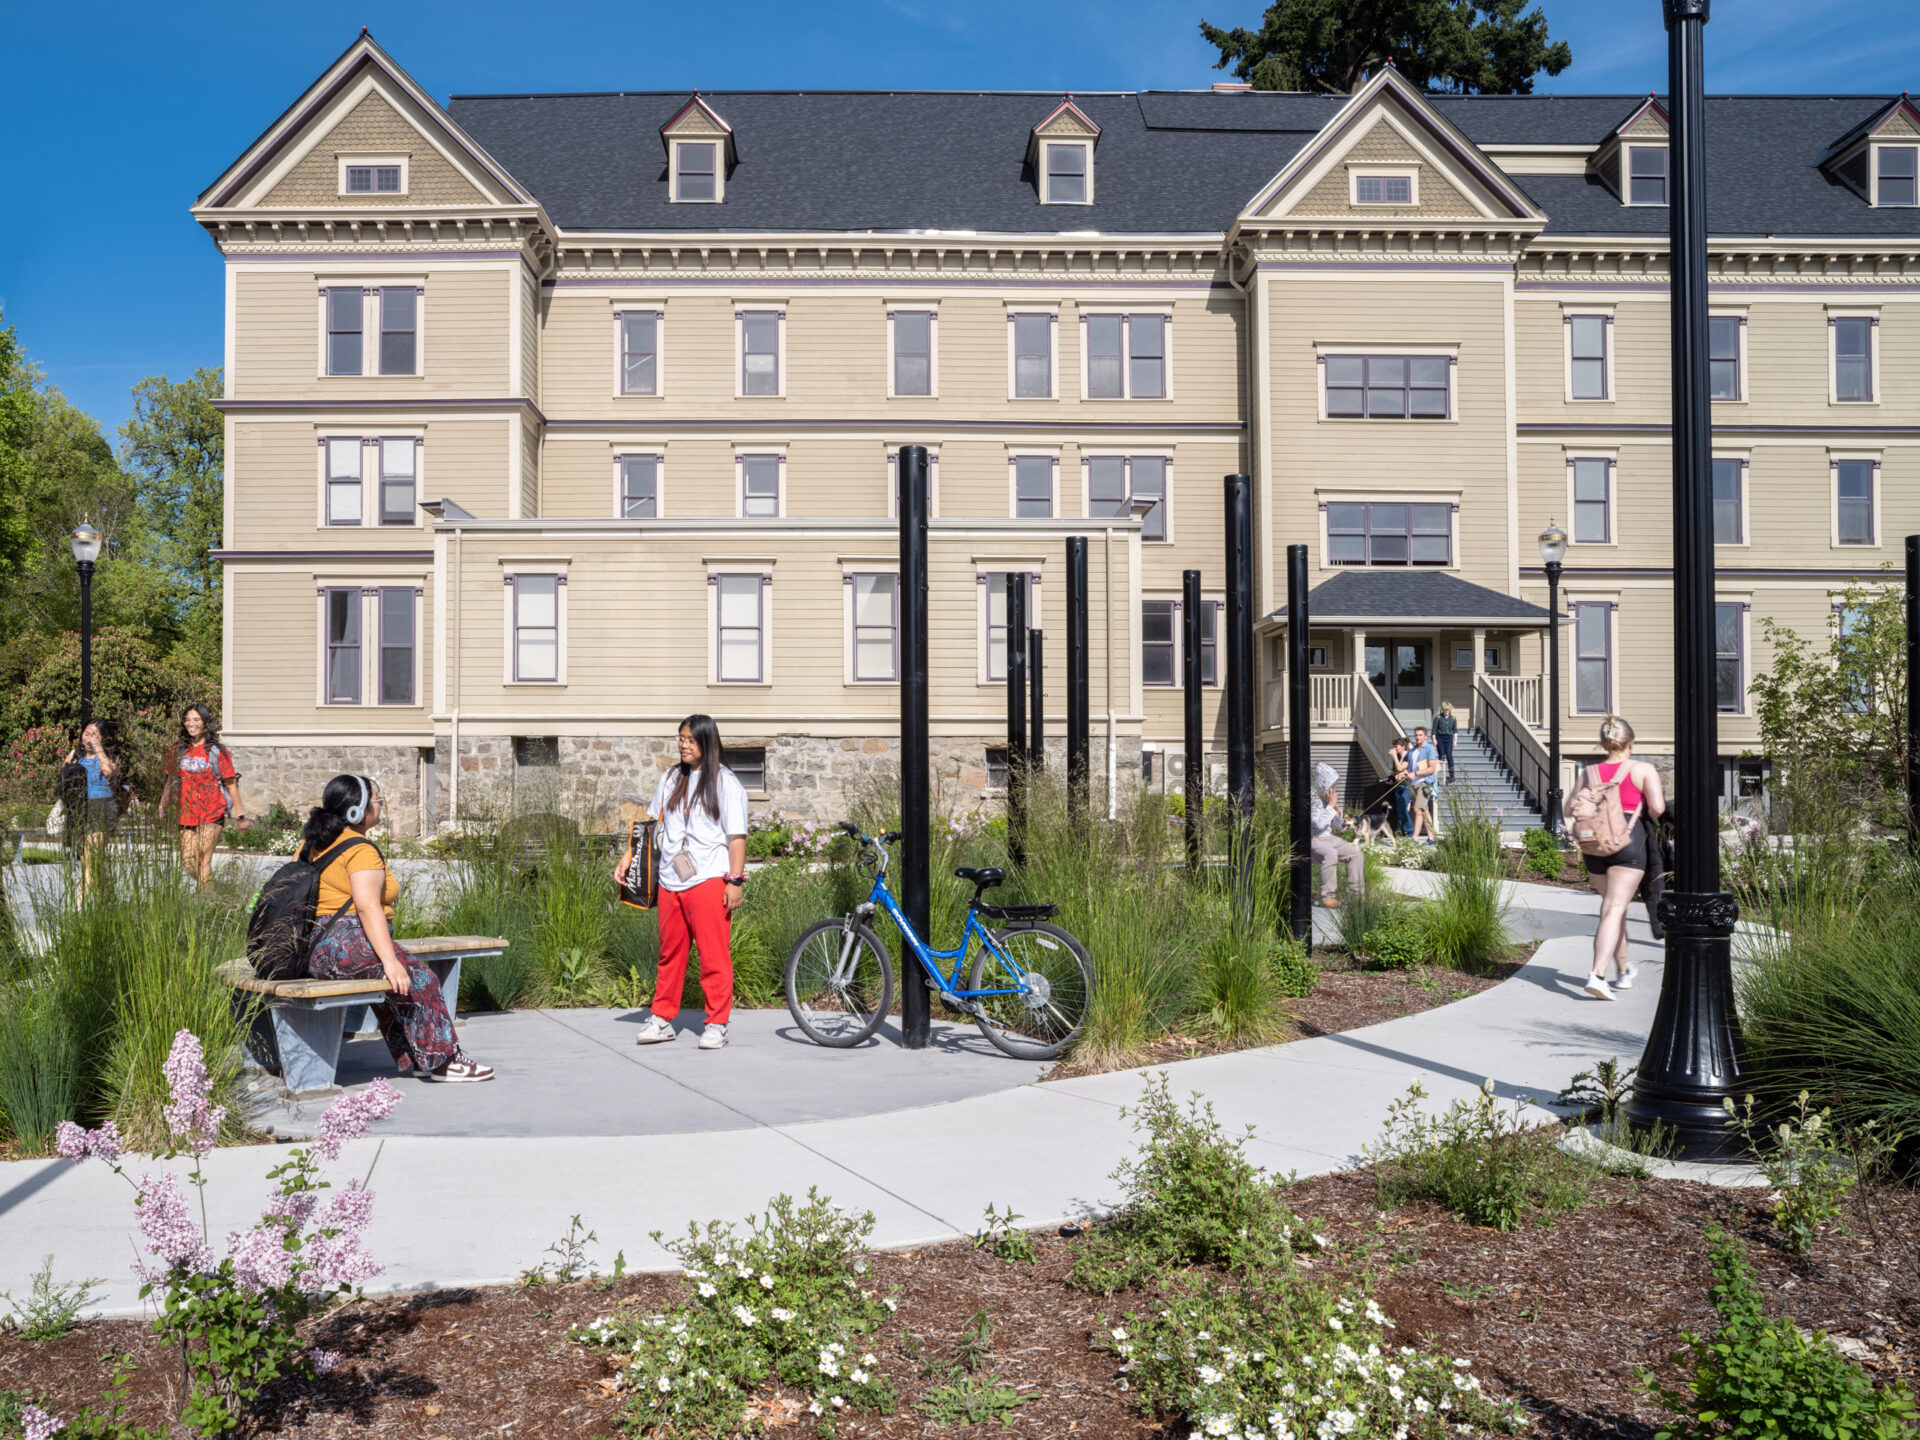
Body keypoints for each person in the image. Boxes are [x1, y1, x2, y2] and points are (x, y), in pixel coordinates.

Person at [302, 774, 493, 1081]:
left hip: (315, 946)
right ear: (357, 811)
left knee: (396, 988)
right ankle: (445, 1061)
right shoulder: (360, 849)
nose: (380, 806)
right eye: (377, 801)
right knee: (421, 979)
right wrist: (390, 961)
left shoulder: (313, 842)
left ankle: (418, 1059)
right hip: (345, 943)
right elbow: (367, 906)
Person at [617, 714, 749, 1051]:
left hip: (707, 878)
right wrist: (629, 856)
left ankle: (717, 1023)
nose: (683, 745)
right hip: (671, 880)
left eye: (690, 739)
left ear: (707, 742)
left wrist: (734, 881)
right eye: (680, 738)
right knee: (669, 954)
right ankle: (662, 1019)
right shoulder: (671, 777)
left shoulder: (725, 782)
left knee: (713, 955)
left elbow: (736, 837)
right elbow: (651, 821)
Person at [1578, 716, 1666, 1002]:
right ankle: (1598, 975)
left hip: (1594, 843)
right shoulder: (1642, 769)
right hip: (1628, 841)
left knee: (1613, 909)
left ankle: (1624, 970)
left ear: (1605, 743)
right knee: (1614, 909)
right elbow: (1657, 808)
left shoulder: (1589, 772)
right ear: (1631, 743)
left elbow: (1578, 807)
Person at [156, 704, 250, 888]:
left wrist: (240, 815)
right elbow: (171, 780)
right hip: (185, 813)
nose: (191, 724)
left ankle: (206, 907)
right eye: (187, 720)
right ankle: (216, 889)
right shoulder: (178, 749)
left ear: (205, 723)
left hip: (211, 812)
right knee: (189, 863)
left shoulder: (216, 751)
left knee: (202, 859)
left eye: (196, 720)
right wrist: (162, 805)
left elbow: (230, 783)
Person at [62, 718, 132, 903]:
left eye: (94, 734)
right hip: (80, 809)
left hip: (101, 807)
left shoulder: (112, 757)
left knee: (91, 862)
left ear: (104, 738)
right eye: (86, 733)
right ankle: (108, 903)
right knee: (89, 861)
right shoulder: (75, 755)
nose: (89, 738)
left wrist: (98, 748)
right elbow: (63, 781)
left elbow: (109, 772)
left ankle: (78, 907)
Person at [1308, 761, 1364, 908]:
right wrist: (1331, 806)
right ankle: (1326, 896)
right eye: (1332, 786)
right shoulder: (1311, 798)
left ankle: (1355, 895)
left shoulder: (1326, 799)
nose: (1334, 789)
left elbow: (1337, 826)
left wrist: (1337, 810)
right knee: (1330, 853)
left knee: (1355, 852)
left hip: (1328, 837)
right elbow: (1318, 824)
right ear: (1323, 783)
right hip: (1313, 839)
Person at [1407, 725, 1441, 844]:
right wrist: (1402, 774)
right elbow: (1410, 769)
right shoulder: (1412, 751)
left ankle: (1414, 838)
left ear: (1425, 736)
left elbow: (1432, 768)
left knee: (1418, 809)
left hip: (1425, 782)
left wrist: (1415, 773)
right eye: (1416, 735)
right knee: (1424, 810)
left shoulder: (1430, 749)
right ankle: (1431, 837)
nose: (1417, 737)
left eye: (1420, 735)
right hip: (1414, 784)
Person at [1385, 737, 1414, 836]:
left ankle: (1409, 832)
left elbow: (1400, 767)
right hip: (1398, 785)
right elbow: (1396, 771)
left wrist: (1394, 756)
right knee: (1400, 810)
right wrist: (1392, 778)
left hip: (1406, 785)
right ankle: (1404, 832)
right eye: (1394, 746)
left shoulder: (1408, 755)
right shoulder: (1397, 756)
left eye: (1396, 746)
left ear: (1403, 747)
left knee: (1404, 809)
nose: (1395, 748)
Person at [1434, 702, 1459, 783]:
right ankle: (1436, 777)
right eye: (1445, 710)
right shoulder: (1438, 718)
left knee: (1449, 756)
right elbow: (1434, 731)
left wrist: (1455, 741)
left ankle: (1452, 776)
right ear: (1442, 710)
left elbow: (1455, 731)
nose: (1446, 711)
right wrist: (1434, 739)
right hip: (1440, 738)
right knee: (1441, 756)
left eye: (1448, 710)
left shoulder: (1453, 718)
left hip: (1449, 738)